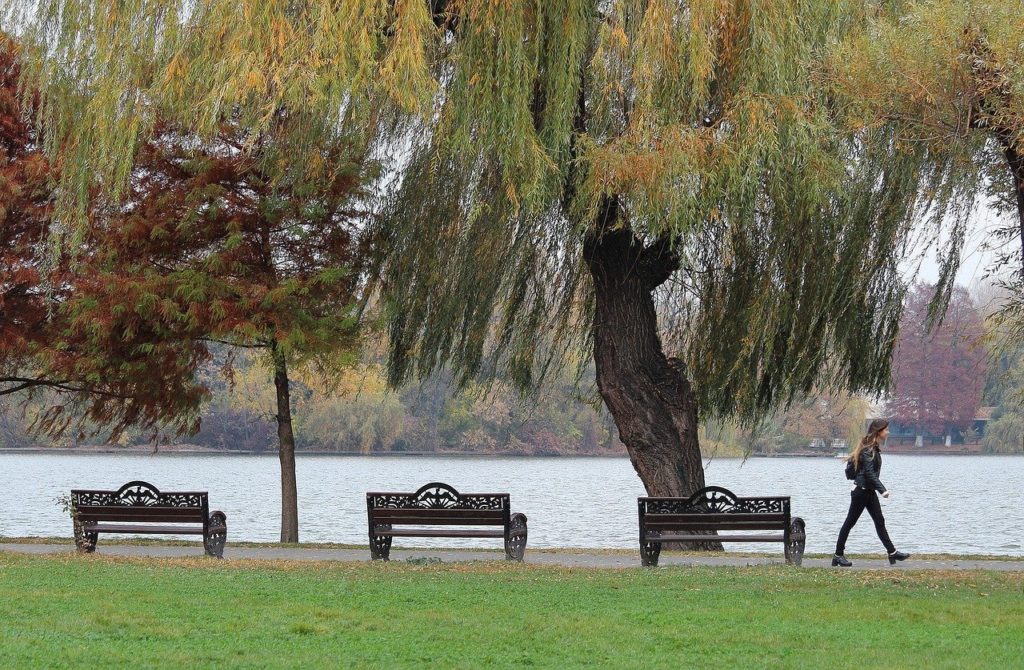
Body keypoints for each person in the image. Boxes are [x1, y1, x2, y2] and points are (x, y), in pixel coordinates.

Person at [832, 419, 910, 567]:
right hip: (861, 492)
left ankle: (892, 552)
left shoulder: (872, 447)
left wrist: (877, 490)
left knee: (879, 521)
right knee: (849, 523)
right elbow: (869, 474)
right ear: (878, 431)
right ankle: (838, 555)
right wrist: (883, 490)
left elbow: (870, 475)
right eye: (886, 430)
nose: (888, 432)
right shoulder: (868, 450)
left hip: (868, 491)